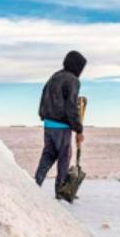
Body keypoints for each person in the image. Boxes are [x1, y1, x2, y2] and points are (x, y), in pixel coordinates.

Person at [34, 51, 87, 198]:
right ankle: (61, 192)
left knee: (48, 155)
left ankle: (36, 183)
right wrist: (79, 129)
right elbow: (71, 107)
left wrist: (42, 115)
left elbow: (43, 95)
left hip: (48, 124)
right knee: (64, 158)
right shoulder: (73, 80)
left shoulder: (54, 76)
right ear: (77, 66)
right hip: (62, 127)